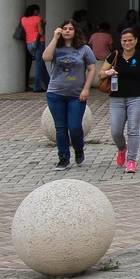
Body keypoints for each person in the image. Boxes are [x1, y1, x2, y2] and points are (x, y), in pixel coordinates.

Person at [101, 28, 140, 173]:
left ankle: (131, 161)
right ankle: (122, 149)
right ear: (120, 42)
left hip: (136, 98)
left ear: (136, 40)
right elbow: (100, 74)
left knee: (133, 130)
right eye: (124, 40)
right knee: (116, 131)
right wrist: (107, 72)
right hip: (117, 99)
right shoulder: (114, 55)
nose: (127, 43)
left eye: (130, 40)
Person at [42, 19, 97, 171]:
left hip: (76, 95)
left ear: (75, 31)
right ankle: (63, 157)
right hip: (55, 94)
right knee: (60, 127)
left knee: (74, 126)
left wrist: (86, 89)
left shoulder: (84, 49)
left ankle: (78, 148)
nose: (67, 31)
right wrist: (54, 38)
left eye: (70, 29)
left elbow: (92, 69)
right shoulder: (56, 47)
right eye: (64, 28)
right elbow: (45, 58)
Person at [21, 4, 50, 92]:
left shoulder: (23, 19)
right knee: (38, 64)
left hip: (29, 42)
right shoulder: (38, 19)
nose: (39, 12)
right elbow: (41, 32)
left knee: (41, 64)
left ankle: (49, 85)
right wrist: (43, 25)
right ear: (35, 10)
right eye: (38, 10)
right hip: (38, 42)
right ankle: (37, 87)